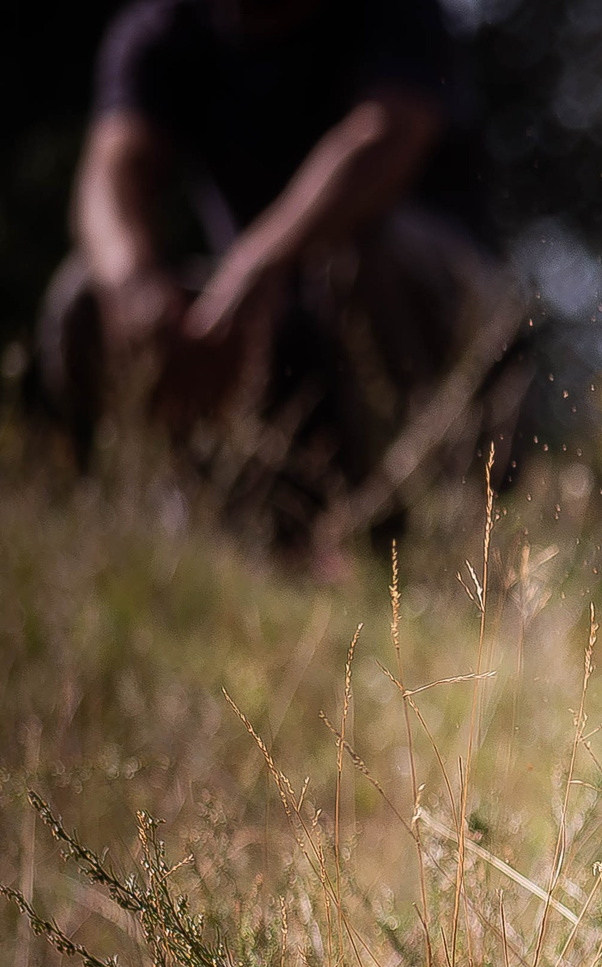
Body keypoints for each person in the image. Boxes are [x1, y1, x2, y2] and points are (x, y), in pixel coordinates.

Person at [38, 0, 519, 567]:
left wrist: (259, 267)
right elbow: (111, 168)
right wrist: (136, 287)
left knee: (366, 255)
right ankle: (195, 538)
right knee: (87, 301)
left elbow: (387, 134)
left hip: (441, 333)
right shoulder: (164, 31)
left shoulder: (395, 13)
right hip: (273, 339)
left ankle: (425, 538)